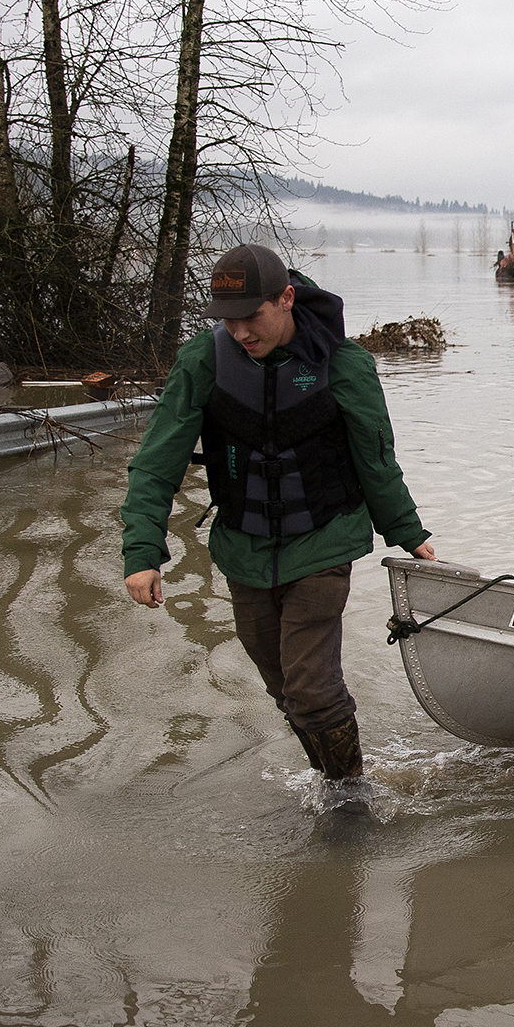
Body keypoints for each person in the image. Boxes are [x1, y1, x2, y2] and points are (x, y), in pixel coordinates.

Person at [120, 245, 436, 783]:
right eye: (229, 320)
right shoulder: (203, 362)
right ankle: (331, 782)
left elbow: (376, 457)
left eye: (253, 316)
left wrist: (407, 531)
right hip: (244, 549)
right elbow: (156, 464)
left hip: (324, 540)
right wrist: (142, 553)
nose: (241, 332)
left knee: (311, 685)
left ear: (286, 298)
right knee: (283, 687)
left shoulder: (345, 363)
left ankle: (349, 797)